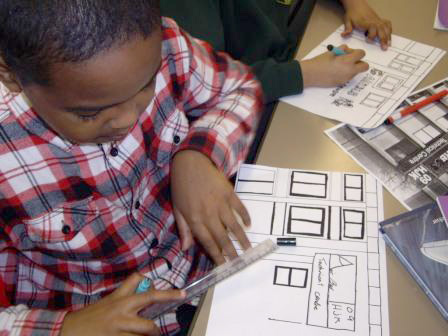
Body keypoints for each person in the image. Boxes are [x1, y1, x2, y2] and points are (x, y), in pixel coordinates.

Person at [0, 1, 263, 335]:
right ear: (10, 74)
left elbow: (240, 88)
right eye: (88, 114)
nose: (129, 119)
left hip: (204, 285)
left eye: (146, 86)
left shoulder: (162, 43)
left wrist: (200, 155)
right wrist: (65, 328)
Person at [161, 0, 393, 103]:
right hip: (254, 92)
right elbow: (204, 86)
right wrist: (304, 74)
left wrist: (354, 3)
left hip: (292, 47)